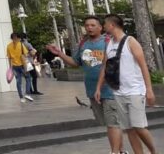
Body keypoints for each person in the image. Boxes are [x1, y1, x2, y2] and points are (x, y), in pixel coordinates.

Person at [48, 15, 124, 154]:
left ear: (100, 27)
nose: (89, 28)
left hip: (110, 90)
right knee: (110, 124)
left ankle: (115, 152)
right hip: (92, 91)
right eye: (87, 25)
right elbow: (75, 62)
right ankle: (120, 151)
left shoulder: (108, 41)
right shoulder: (83, 44)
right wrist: (59, 53)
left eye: (93, 25)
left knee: (113, 123)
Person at [97, 14, 158, 154]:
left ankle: (154, 151)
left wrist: (149, 89)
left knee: (139, 126)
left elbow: (143, 66)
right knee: (129, 129)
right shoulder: (109, 44)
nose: (104, 27)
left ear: (112, 25)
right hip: (119, 92)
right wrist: (98, 87)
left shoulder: (131, 41)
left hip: (135, 90)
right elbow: (105, 66)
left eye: (105, 24)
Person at [7, 32, 35, 102]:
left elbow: (9, 58)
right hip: (22, 65)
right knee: (28, 78)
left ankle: (21, 98)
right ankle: (27, 94)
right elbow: (24, 56)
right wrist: (25, 68)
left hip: (14, 66)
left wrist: (10, 67)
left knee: (18, 81)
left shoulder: (9, 46)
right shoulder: (21, 45)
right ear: (18, 38)